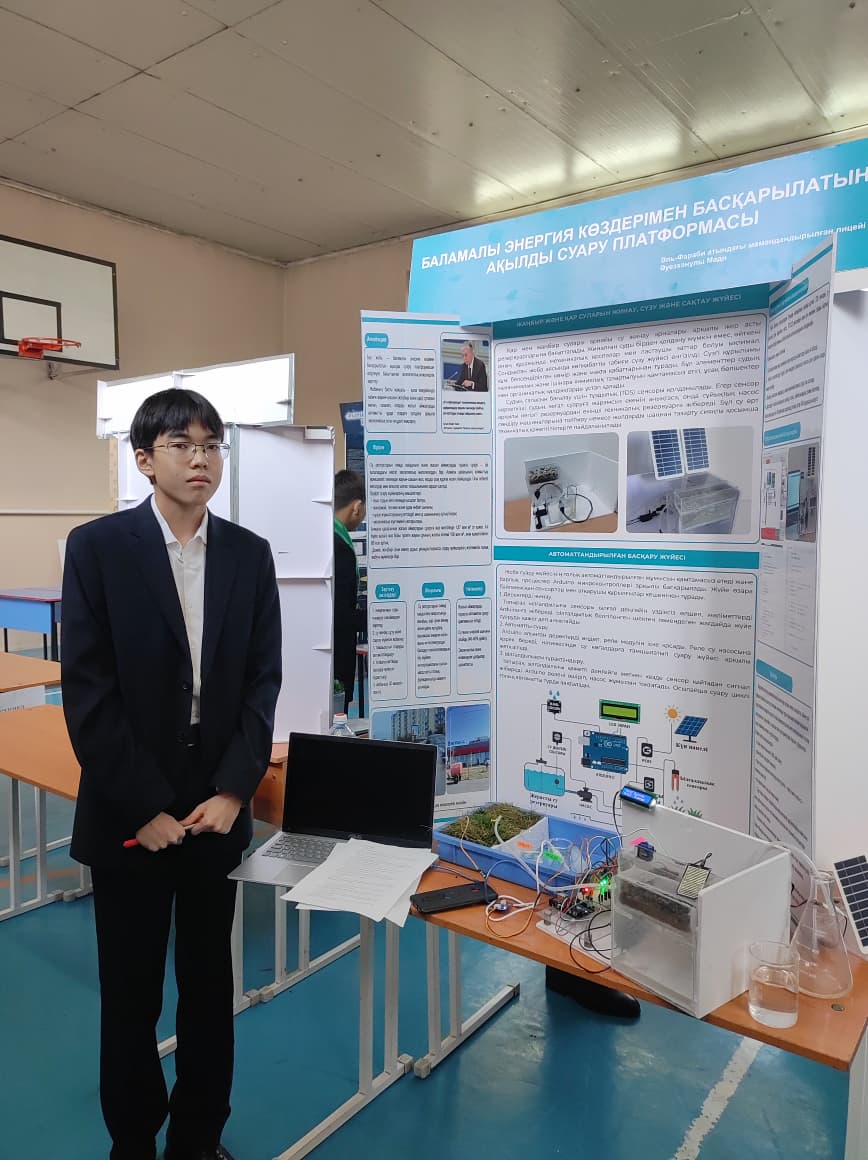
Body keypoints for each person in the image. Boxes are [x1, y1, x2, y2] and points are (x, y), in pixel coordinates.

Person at [61, 388, 282, 1160]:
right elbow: (88, 693)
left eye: (212, 445)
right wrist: (143, 807)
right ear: (144, 460)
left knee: (209, 988)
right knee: (130, 994)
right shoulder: (98, 548)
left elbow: (261, 683)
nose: (201, 459)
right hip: (131, 805)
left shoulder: (248, 554)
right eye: (182, 445)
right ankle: (133, 1141)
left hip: (215, 802)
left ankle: (197, 1138)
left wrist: (233, 790)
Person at [333, 469, 367, 713]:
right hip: (336, 659)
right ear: (357, 507)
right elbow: (340, 615)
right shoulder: (341, 549)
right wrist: (378, 618)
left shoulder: (325, 537)